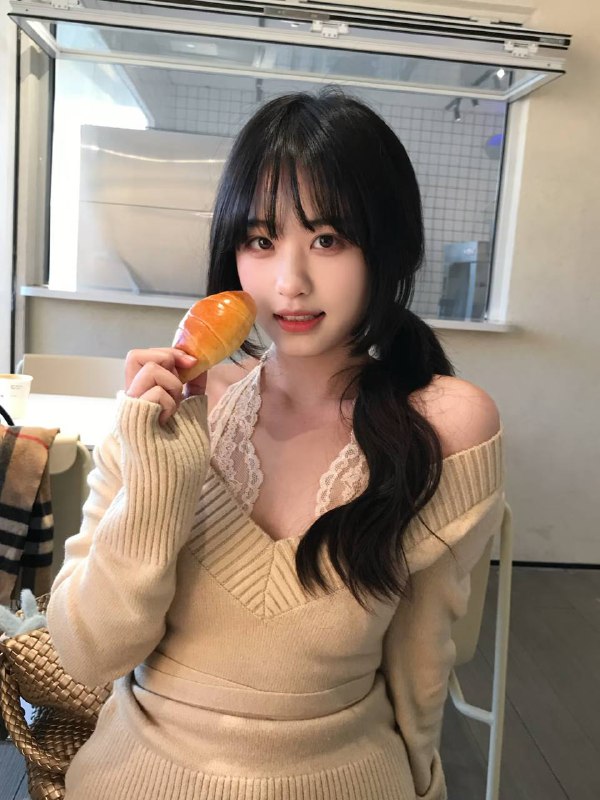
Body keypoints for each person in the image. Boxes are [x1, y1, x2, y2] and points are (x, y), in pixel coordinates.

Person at [47, 90, 505, 800]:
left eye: (328, 239)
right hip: (137, 776)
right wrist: (159, 481)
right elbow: (89, 654)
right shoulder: (169, 408)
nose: (289, 283)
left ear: (389, 245)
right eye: (261, 241)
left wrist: (423, 784)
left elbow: (422, 655)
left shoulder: (445, 427)